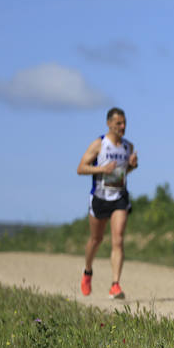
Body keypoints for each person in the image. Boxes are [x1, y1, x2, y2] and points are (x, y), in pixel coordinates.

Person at [77, 107, 138, 299]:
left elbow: (123, 172)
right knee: (96, 239)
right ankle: (87, 272)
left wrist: (131, 167)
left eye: (124, 122)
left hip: (119, 196)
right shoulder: (99, 145)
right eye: (119, 123)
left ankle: (115, 285)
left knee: (118, 239)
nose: (123, 126)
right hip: (100, 197)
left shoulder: (128, 147)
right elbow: (81, 168)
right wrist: (102, 169)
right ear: (109, 123)